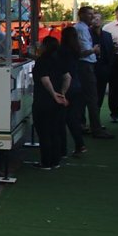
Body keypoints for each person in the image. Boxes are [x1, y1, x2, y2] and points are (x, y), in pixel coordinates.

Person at [74, 6, 114, 139]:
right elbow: (82, 52)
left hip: (87, 64)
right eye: (89, 14)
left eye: (93, 14)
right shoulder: (81, 29)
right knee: (92, 97)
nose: (92, 17)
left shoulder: (83, 28)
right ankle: (96, 129)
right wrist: (94, 50)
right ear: (82, 15)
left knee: (85, 97)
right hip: (85, 64)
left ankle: (83, 125)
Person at [32, 36, 70, 169]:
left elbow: (45, 79)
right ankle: (55, 160)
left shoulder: (42, 61)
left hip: (43, 100)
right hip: (58, 101)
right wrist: (62, 93)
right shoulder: (59, 60)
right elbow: (67, 77)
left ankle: (46, 161)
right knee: (55, 131)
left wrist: (53, 93)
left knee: (44, 132)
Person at [58, 26, 87, 156]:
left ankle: (63, 148)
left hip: (67, 85)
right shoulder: (75, 49)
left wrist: (62, 92)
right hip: (76, 85)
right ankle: (79, 144)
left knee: (62, 119)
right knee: (72, 118)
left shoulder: (62, 51)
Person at [90, 11, 115, 120]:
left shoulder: (107, 35)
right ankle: (84, 122)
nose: (96, 20)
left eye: (98, 18)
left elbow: (110, 52)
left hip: (104, 70)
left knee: (100, 95)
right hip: (90, 69)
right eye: (94, 18)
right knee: (89, 96)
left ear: (102, 21)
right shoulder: (88, 34)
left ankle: (96, 121)